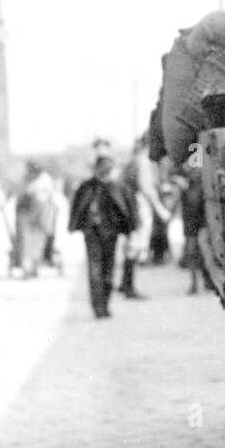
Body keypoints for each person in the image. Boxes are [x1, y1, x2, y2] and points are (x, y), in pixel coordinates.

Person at [68, 153, 133, 319]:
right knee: (95, 270)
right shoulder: (87, 186)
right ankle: (98, 306)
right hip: (92, 233)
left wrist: (128, 230)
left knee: (108, 270)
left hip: (111, 234)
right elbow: (77, 206)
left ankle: (105, 303)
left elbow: (127, 209)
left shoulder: (116, 186)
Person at [118, 133, 173, 299]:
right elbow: (146, 187)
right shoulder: (144, 161)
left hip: (130, 207)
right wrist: (160, 209)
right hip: (139, 207)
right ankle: (129, 288)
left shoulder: (134, 160)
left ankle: (124, 284)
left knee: (131, 245)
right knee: (135, 247)